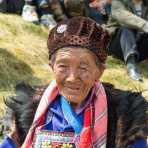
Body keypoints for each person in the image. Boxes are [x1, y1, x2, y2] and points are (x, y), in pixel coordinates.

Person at [0, 17, 148, 147]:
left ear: (100, 71)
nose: (72, 78)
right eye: (63, 66)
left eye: (83, 68)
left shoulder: (125, 115)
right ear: (52, 66)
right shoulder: (27, 110)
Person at [108, 0, 148, 81]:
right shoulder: (118, 1)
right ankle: (131, 65)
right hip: (119, 43)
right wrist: (145, 25)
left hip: (139, 44)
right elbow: (123, 16)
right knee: (127, 27)